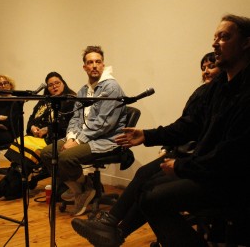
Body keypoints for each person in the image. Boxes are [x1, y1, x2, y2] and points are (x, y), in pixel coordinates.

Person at [71, 14, 250, 247]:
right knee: (148, 185)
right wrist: (148, 135)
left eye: (224, 37)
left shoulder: (245, 92)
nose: (215, 43)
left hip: (231, 179)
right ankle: (113, 230)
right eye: (214, 37)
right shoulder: (219, 86)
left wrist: (181, 166)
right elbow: (189, 125)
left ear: (246, 42)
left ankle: (116, 232)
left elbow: (230, 156)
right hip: (209, 168)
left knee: (153, 196)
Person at [40, 45, 127, 216]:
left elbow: (104, 124)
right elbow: (75, 118)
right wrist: (72, 136)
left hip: (106, 139)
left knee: (65, 157)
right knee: (47, 153)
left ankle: (83, 189)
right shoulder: (83, 90)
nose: (94, 65)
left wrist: (77, 141)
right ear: (84, 67)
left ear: (103, 65)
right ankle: (82, 187)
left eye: (98, 62)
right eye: (90, 62)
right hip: (85, 136)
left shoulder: (112, 88)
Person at [0, 72, 76, 199]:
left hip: (55, 138)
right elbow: (31, 118)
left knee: (26, 155)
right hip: (36, 137)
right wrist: (32, 127)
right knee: (20, 145)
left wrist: (47, 130)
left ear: (63, 83)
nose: (54, 87)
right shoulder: (44, 100)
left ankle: (7, 188)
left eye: (57, 83)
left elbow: (69, 124)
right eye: (50, 85)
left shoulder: (70, 100)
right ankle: (11, 188)